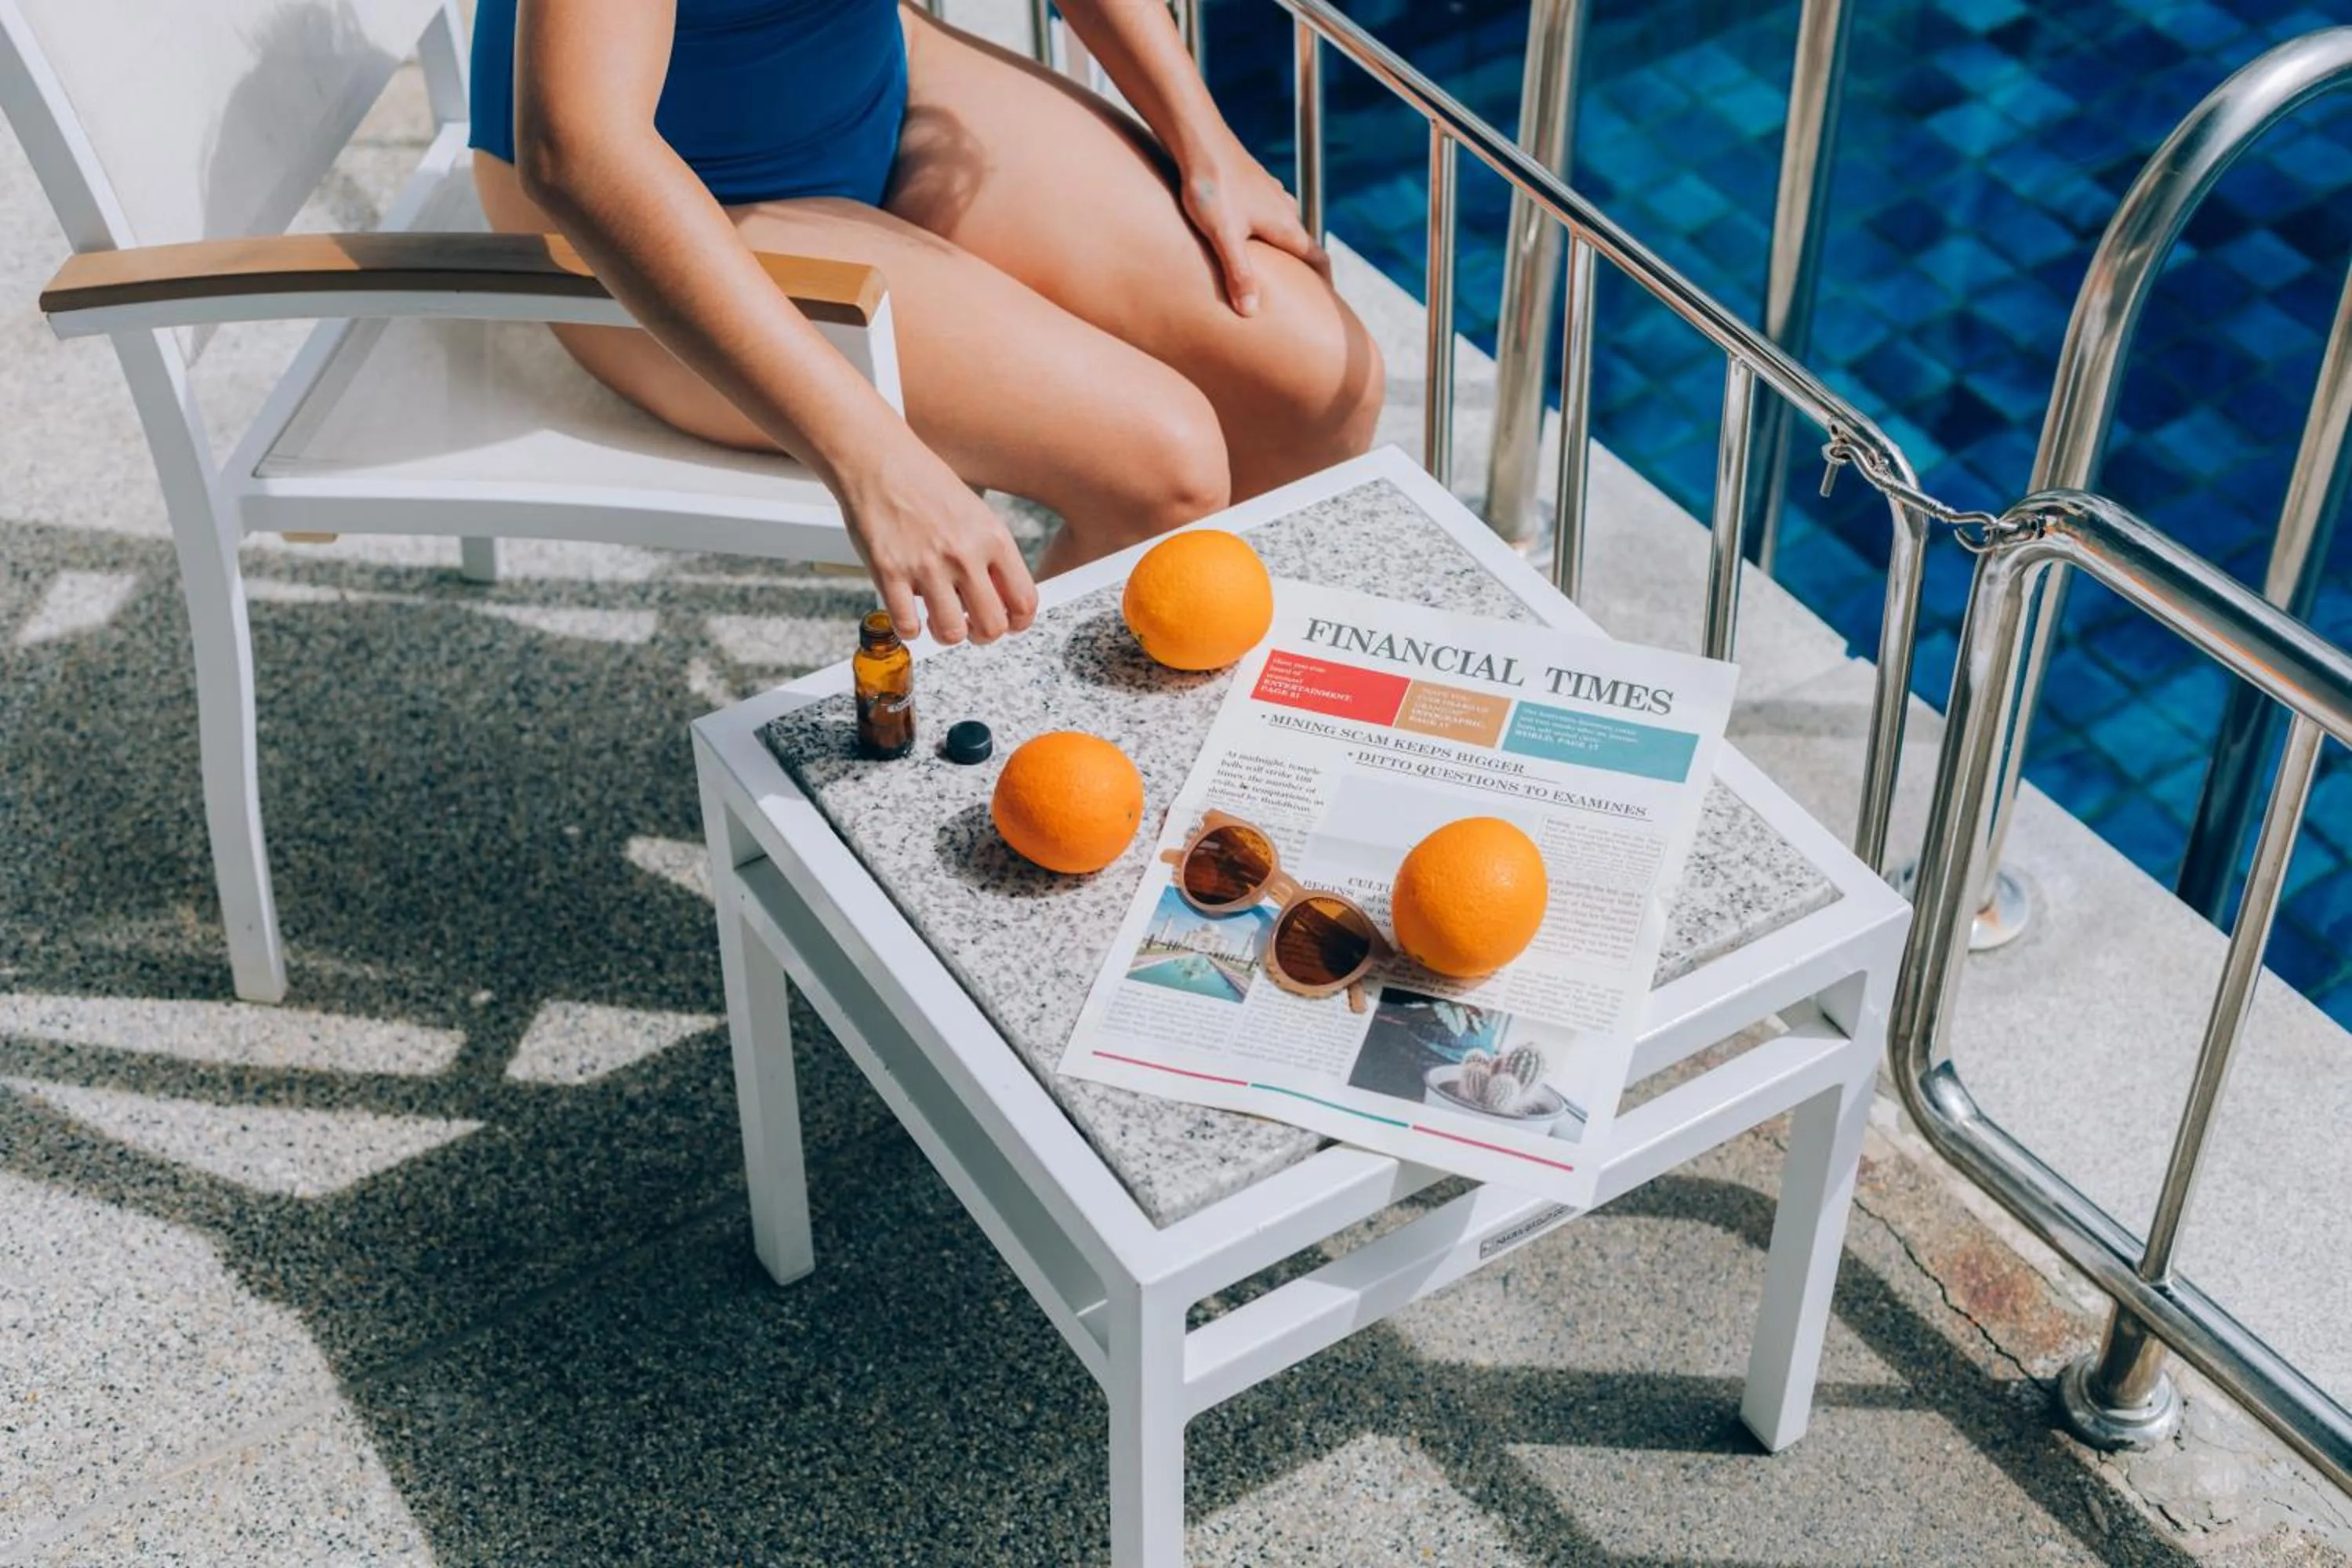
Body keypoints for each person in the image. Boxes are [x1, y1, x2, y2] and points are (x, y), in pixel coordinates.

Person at [471, 0, 1385, 646]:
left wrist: (1204, 137)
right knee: (1163, 468)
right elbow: (582, 153)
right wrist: (874, 456)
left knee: (1315, 377)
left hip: (867, 75)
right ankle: (1031, 807)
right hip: (636, 218)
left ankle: (1206, 726)